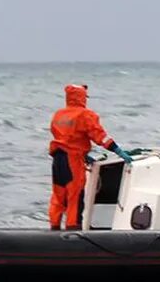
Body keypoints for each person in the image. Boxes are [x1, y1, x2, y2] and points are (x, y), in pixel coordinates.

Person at [48, 84, 134, 230]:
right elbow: (100, 136)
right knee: (75, 194)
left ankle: (54, 225)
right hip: (73, 160)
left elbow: (65, 137)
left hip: (58, 158)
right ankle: (73, 228)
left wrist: (84, 154)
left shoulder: (59, 115)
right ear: (81, 97)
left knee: (58, 194)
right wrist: (118, 151)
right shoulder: (85, 115)